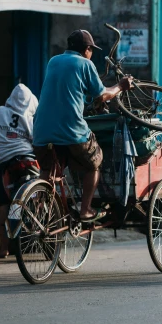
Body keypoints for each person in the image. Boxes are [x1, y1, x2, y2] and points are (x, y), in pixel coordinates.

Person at [32, 29, 133, 223]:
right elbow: (102, 95)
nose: (91, 53)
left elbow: (68, 89)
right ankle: (85, 209)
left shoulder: (53, 61)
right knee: (95, 161)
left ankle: (36, 209)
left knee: (48, 168)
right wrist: (120, 86)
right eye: (91, 50)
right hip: (70, 130)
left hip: (41, 130)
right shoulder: (85, 64)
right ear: (87, 49)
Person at [0, 83, 39, 258]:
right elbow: (34, 140)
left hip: (5, 166)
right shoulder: (29, 117)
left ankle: (3, 248)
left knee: (4, 206)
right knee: (36, 197)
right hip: (28, 162)